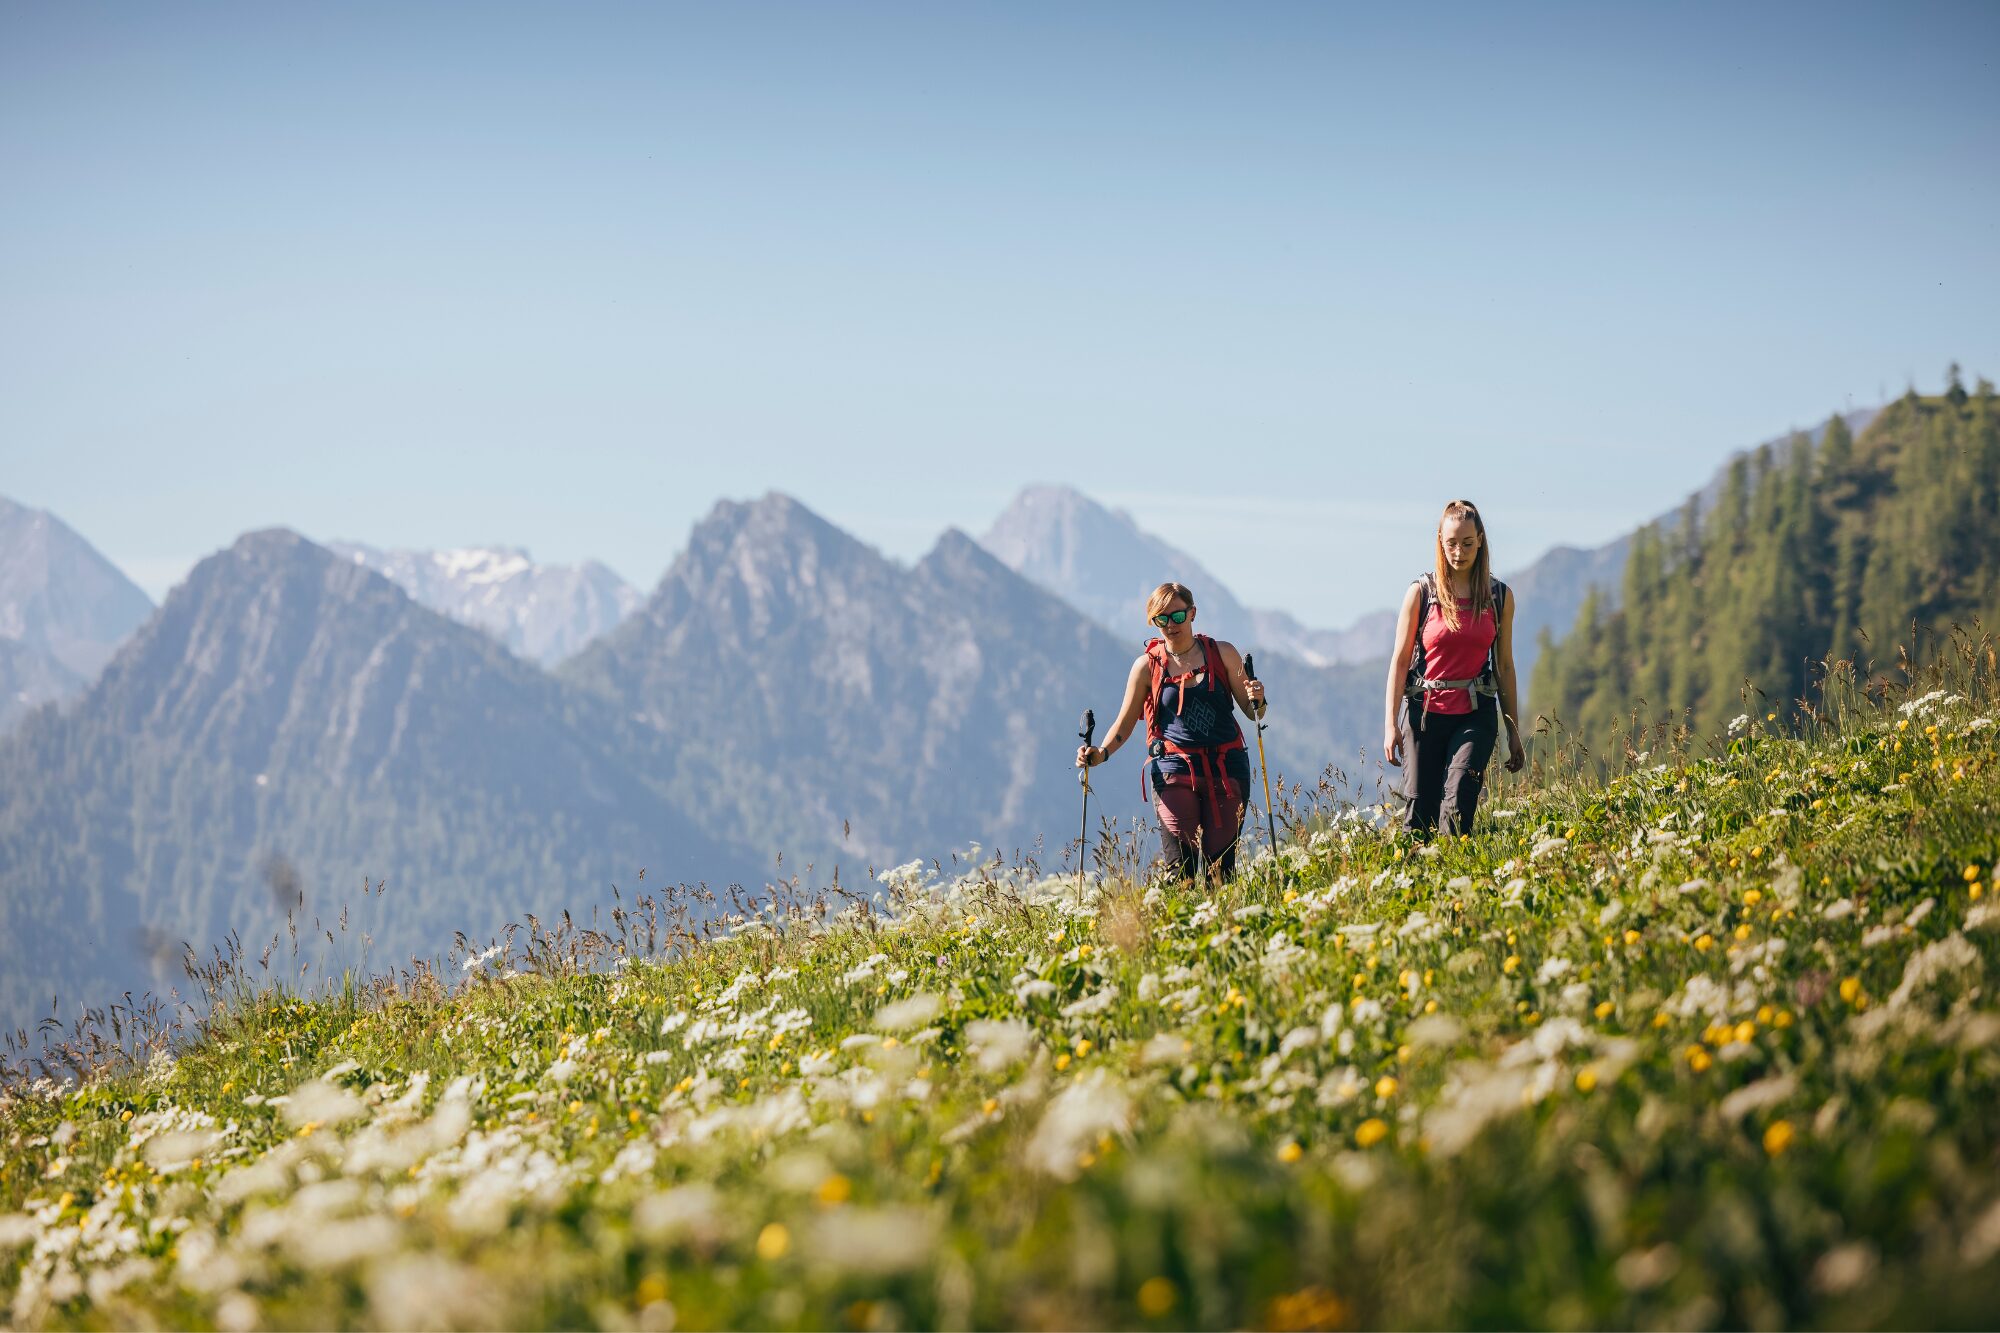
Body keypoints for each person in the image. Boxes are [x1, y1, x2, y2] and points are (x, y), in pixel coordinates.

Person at [1076, 582, 1267, 880]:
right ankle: (1181, 924)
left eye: (1177, 616)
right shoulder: (1146, 667)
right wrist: (1100, 754)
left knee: (1221, 873)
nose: (1171, 625)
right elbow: (1124, 723)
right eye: (1161, 619)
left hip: (1226, 770)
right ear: (1153, 621)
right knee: (1181, 873)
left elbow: (1253, 711)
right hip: (1172, 770)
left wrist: (1258, 698)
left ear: (1192, 614)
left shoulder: (1224, 654)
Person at [1383, 500, 1525, 836]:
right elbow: (1400, 660)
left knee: (1460, 798)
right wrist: (1391, 725)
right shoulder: (1421, 593)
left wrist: (1513, 731)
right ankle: (1414, 881)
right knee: (1420, 811)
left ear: (1480, 541)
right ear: (1440, 541)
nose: (1458, 552)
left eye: (1466, 543)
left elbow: (1504, 665)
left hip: (1475, 713)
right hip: (1423, 714)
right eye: (1451, 543)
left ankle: (1455, 875)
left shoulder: (1499, 597)